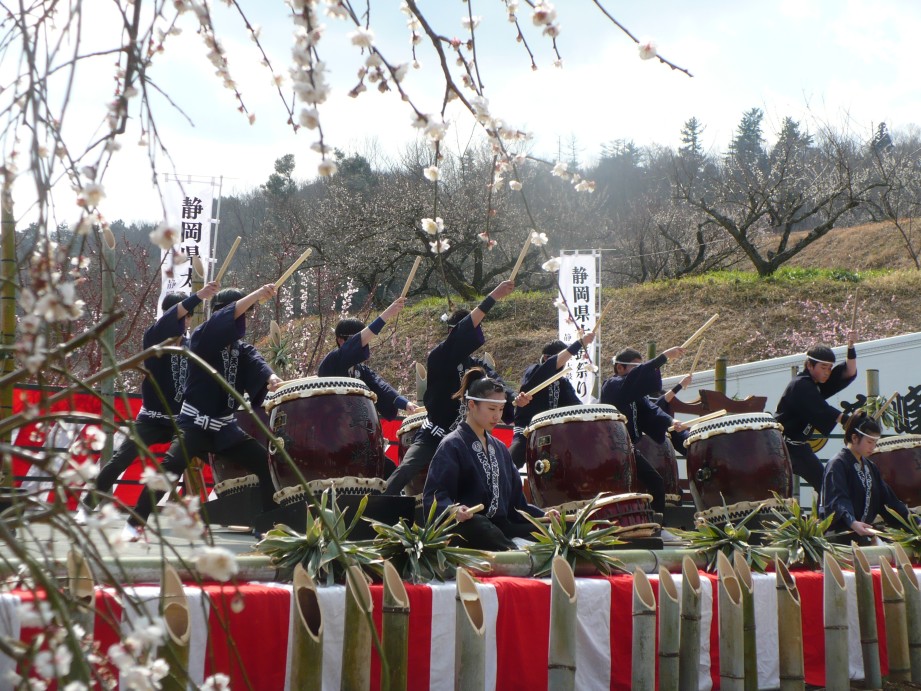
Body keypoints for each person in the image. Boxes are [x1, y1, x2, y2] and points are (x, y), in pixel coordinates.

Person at [123, 284, 283, 541]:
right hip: (194, 424)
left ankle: (265, 525)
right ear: (222, 315)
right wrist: (254, 295)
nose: (244, 321)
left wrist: (272, 378)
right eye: (241, 315)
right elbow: (225, 319)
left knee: (265, 463)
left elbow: (257, 364)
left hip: (225, 429)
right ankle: (135, 522)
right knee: (170, 468)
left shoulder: (241, 350)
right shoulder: (202, 336)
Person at [77, 282, 219, 522]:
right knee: (121, 458)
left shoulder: (190, 345)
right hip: (151, 418)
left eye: (188, 318)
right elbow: (173, 315)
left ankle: (238, 500)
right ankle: (87, 505)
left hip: (182, 421)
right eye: (183, 316)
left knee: (218, 456)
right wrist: (198, 296)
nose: (186, 322)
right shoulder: (154, 335)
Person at [384, 280, 526, 495]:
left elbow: (499, 385)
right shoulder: (438, 357)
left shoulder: (478, 365)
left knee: (498, 472)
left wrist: (515, 398)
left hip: (467, 438)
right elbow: (465, 330)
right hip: (435, 433)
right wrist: (493, 297)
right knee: (407, 468)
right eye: (463, 332)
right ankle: (375, 508)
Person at [423, 368, 556, 550]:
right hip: (469, 527)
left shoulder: (500, 448)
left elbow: (518, 505)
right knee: (480, 525)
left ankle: (515, 548)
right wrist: (453, 510)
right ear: (471, 405)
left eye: (501, 409)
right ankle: (514, 551)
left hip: (502, 527)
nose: (497, 416)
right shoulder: (452, 445)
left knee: (552, 529)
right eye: (492, 409)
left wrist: (544, 516)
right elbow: (435, 496)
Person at [599, 346, 688, 514]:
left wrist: (672, 420)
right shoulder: (611, 385)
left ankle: (657, 526)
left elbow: (652, 410)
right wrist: (664, 357)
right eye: (636, 367)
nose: (640, 372)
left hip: (628, 449)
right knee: (634, 486)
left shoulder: (636, 395)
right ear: (620, 368)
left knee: (655, 482)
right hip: (610, 449)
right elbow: (633, 380)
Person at [774, 335, 857, 492]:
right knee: (776, 491)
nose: (827, 372)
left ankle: (826, 516)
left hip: (799, 448)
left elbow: (849, 371)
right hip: (781, 448)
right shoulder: (800, 385)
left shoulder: (816, 384)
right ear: (809, 365)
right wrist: (848, 420)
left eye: (829, 368)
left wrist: (851, 347)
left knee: (826, 485)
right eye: (823, 368)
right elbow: (823, 409)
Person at [317, 297, 418, 419]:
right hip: (331, 422)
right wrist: (388, 313)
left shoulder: (362, 370)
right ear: (340, 340)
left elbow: (381, 386)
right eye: (353, 339)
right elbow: (360, 340)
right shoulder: (333, 359)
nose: (364, 344)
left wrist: (406, 404)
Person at [820, 411, 911, 545]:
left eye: (875, 442)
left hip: (861, 537)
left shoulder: (870, 467)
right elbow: (838, 500)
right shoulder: (837, 464)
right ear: (855, 438)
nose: (873, 447)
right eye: (869, 442)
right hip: (839, 540)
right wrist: (852, 522)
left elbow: (888, 501)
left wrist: (912, 521)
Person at [509, 333, 595, 468]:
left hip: (553, 434)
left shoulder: (563, 382)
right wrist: (580, 343)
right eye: (560, 360)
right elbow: (552, 364)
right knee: (510, 464)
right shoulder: (534, 371)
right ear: (545, 358)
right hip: (527, 431)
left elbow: (576, 406)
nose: (562, 365)